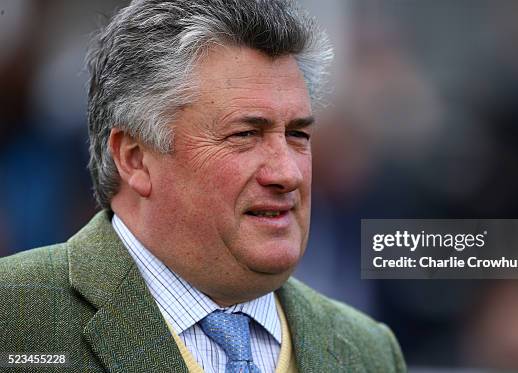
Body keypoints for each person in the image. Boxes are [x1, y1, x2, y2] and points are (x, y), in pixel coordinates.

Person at [0, 0, 407, 372]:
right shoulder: (15, 315)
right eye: (245, 134)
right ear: (135, 158)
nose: (289, 173)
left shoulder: (368, 351)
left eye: (298, 135)